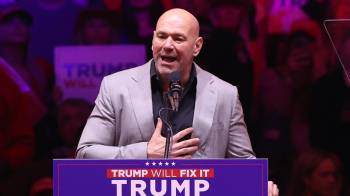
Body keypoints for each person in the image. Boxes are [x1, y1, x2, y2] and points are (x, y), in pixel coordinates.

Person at [76, 8, 278, 195]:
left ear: (196, 46)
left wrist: (257, 183)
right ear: (153, 38)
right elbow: (85, 154)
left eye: (178, 38)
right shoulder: (115, 87)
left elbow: (243, 163)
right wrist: (145, 152)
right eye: (162, 36)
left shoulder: (225, 94)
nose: (167, 45)